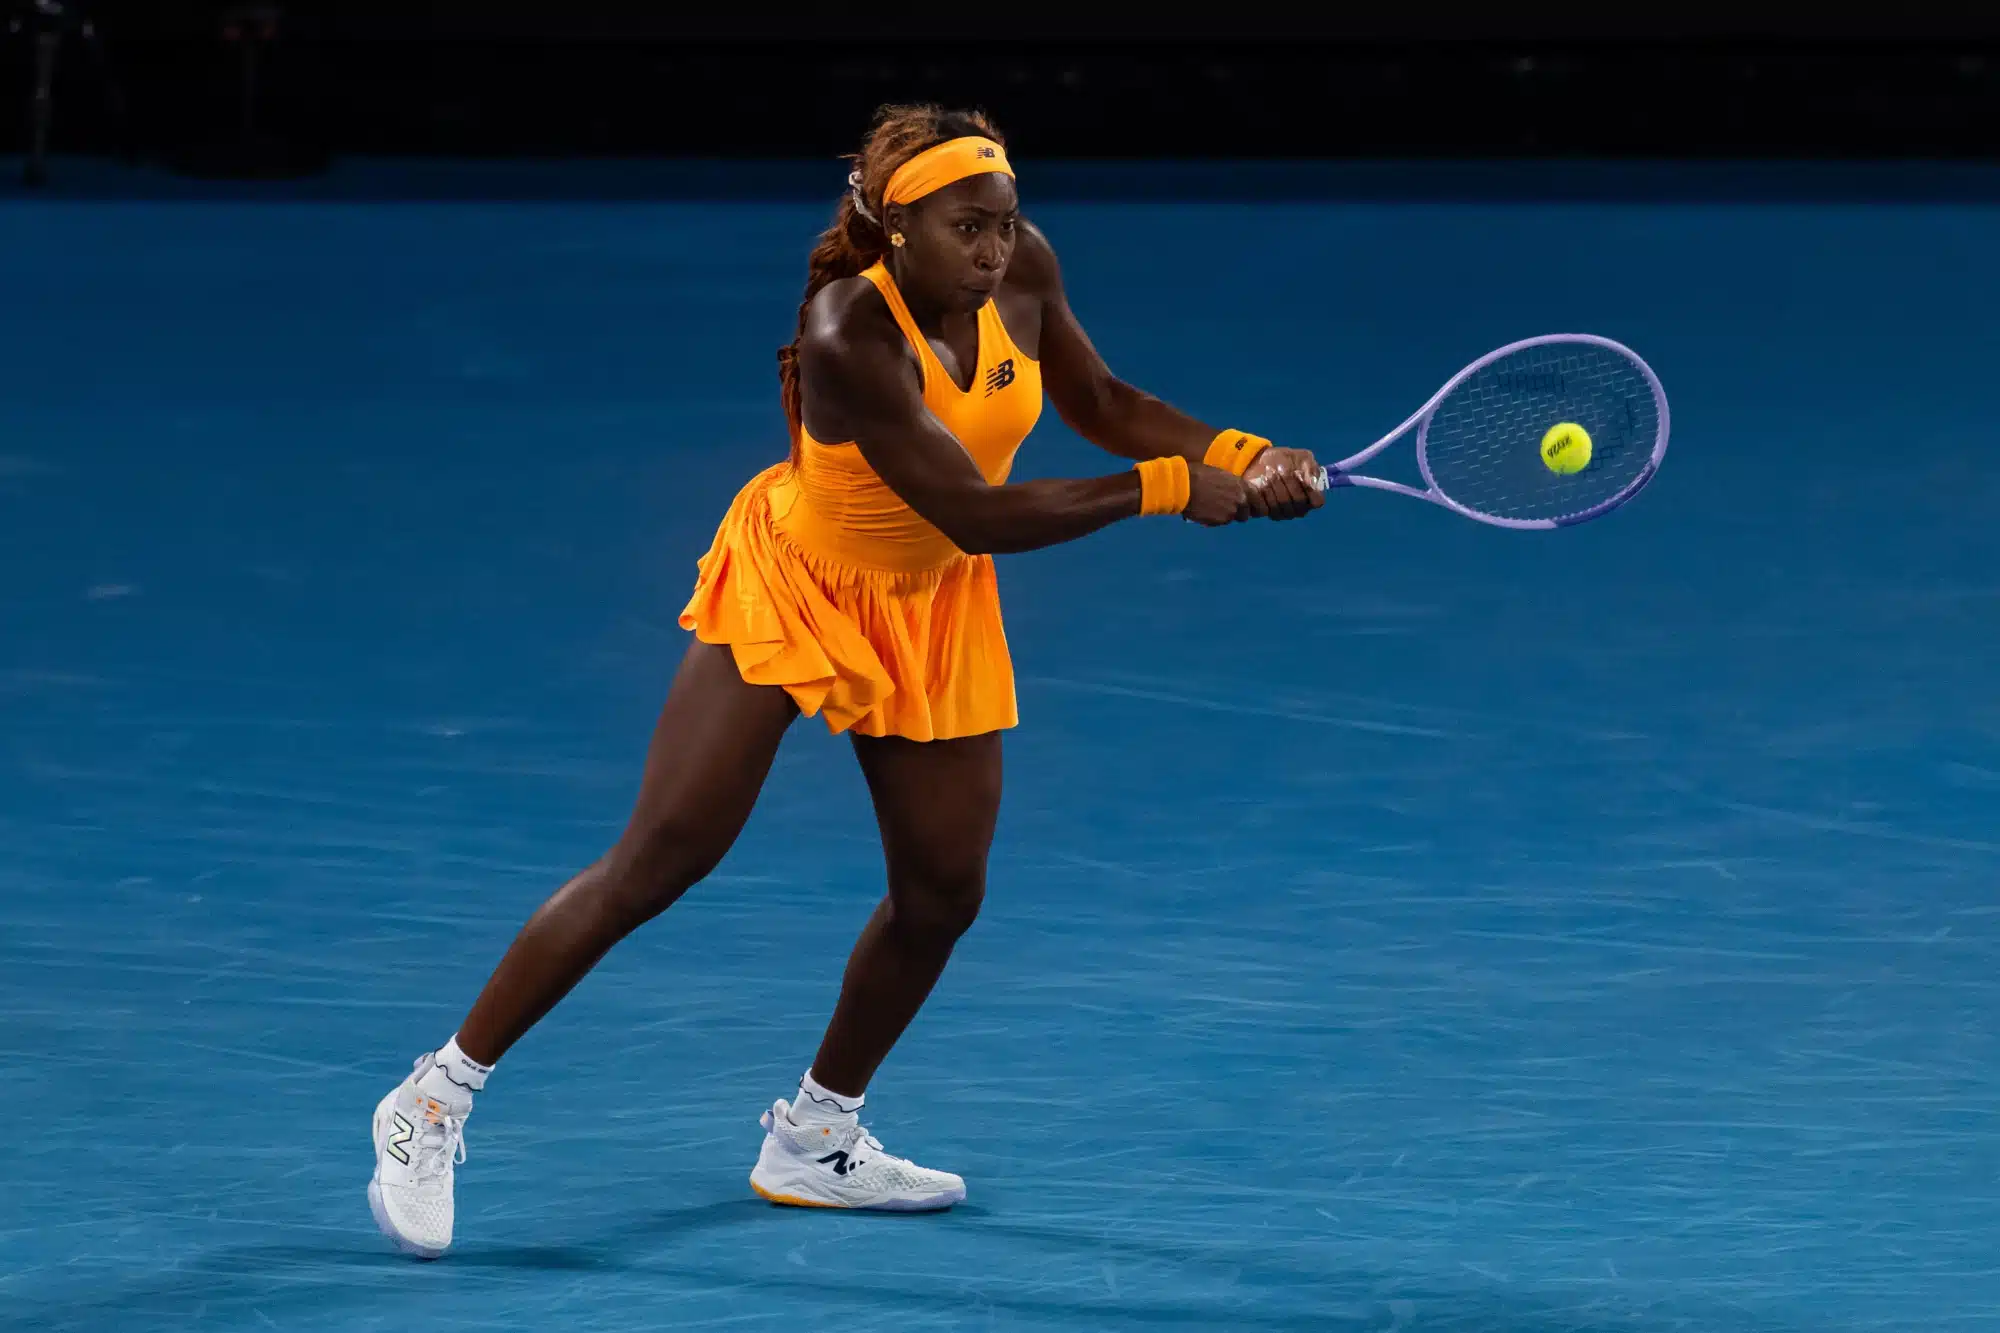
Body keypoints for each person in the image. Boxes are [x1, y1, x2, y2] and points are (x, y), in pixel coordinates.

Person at [367, 102, 1325, 1259]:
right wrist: (1166, 491)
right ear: (894, 226)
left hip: (930, 606)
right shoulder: (845, 332)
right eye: (965, 227)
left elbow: (1102, 402)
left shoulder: (1023, 268)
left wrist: (1237, 452)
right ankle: (432, 1097)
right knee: (661, 859)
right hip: (803, 584)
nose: (991, 249)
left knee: (941, 893)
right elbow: (970, 508)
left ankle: (814, 1135)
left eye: (1003, 223)